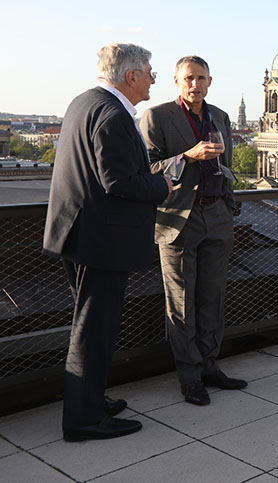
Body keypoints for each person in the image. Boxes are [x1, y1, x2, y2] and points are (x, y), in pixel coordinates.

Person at [43, 43, 171, 442]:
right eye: (149, 73)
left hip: (79, 233)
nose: (153, 80)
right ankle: (84, 419)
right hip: (101, 241)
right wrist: (163, 186)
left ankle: (92, 400)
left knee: (92, 325)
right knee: (93, 330)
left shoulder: (85, 102)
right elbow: (118, 181)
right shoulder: (114, 114)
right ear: (131, 76)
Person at [141, 56, 246, 406]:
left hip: (217, 215)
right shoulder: (157, 116)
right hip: (179, 219)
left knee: (213, 298)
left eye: (201, 78)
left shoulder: (220, 116)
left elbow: (226, 164)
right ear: (176, 81)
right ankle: (190, 377)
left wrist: (228, 204)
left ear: (210, 82)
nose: (195, 84)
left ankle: (210, 366)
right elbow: (148, 170)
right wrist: (188, 156)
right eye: (188, 78)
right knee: (181, 304)